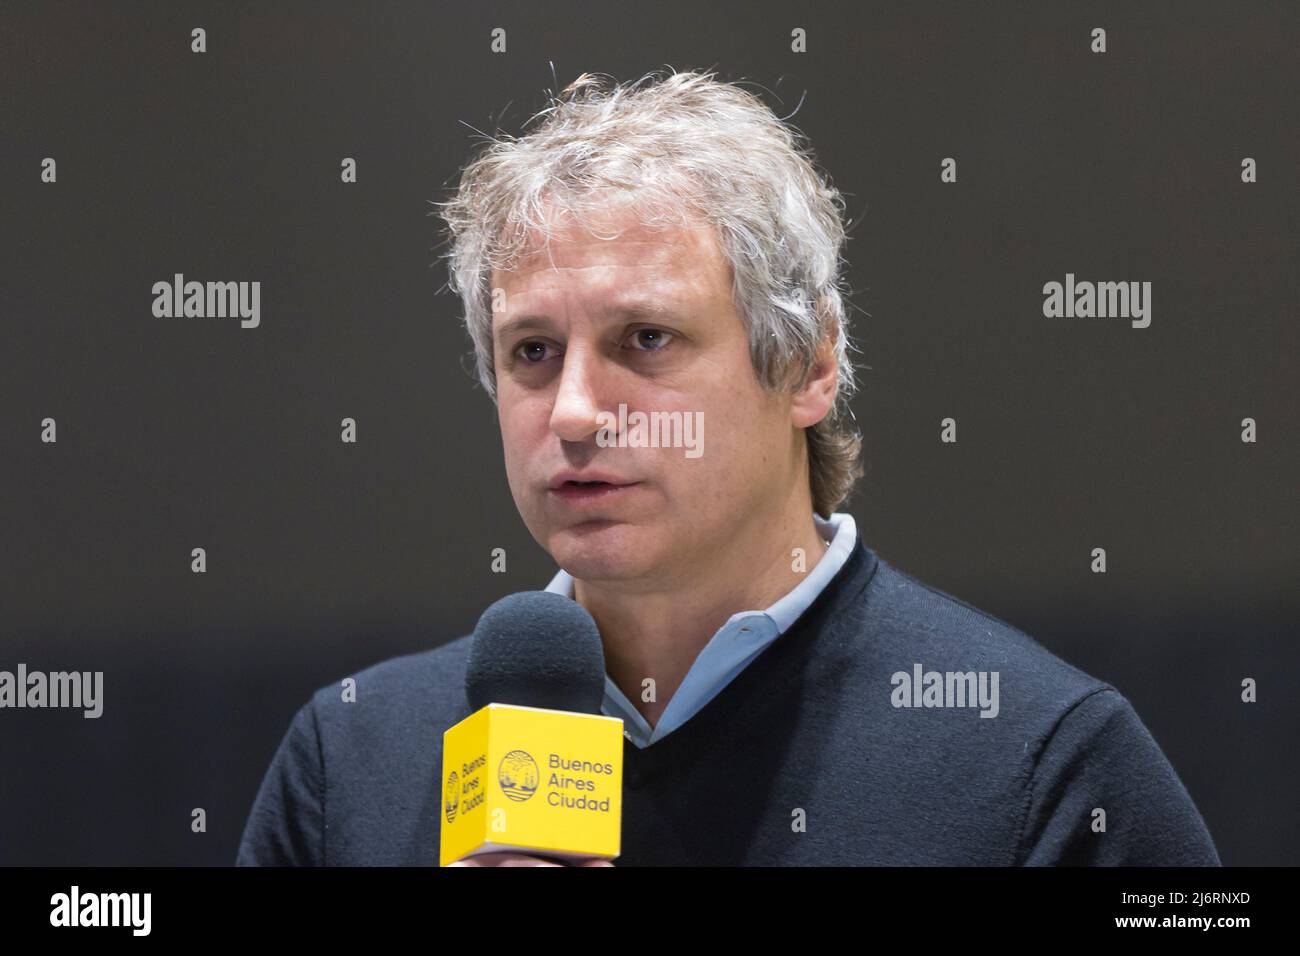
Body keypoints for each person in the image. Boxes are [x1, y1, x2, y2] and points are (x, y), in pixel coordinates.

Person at [237, 69, 1220, 866]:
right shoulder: (352, 761)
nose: (575, 411)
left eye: (647, 337)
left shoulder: (1039, 761)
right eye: (531, 350)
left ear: (808, 363)